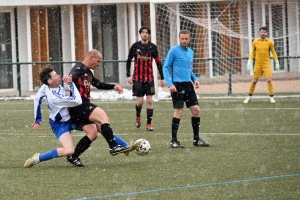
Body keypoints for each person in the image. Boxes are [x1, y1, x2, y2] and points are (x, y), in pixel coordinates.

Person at [67, 49, 132, 167]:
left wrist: (114, 86)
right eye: (98, 61)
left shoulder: (88, 72)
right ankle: (113, 147)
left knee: (93, 133)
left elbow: (98, 84)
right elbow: (72, 76)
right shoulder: (78, 69)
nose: (99, 64)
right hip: (80, 105)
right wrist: (69, 79)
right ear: (91, 57)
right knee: (104, 118)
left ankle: (73, 156)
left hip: (80, 107)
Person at [24, 65, 82, 168]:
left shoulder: (46, 86)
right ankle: (38, 158)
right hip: (60, 124)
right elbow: (77, 101)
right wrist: (70, 84)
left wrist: (38, 119)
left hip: (71, 118)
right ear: (50, 81)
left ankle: (118, 145)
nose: (59, 76)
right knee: (69, 150)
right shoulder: (54, 97)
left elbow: (37, 98)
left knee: (97, 126)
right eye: (55, 75)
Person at [163, 30, 210, 148]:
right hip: (177, 86)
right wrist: (170, 84)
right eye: (182, 39)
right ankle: (174, 141)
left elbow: (188, 69)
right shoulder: (173, 51)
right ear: (179, 39)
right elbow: (165, 67)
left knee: (196, 110)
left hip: (188, 85)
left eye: (186, 39)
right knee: (179, 111)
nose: (184, 41)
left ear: (190, 39)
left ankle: (196, 139)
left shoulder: (190, 52)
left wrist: (195, 79)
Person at [126, 26, 165, 131]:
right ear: (140, 34)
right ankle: (138, 117)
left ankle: (149, 124)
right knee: (139, 102)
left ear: (149, 35)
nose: (145, 34)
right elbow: (129, 60)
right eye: (143, 32)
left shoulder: (153, 47)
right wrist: (128, 75)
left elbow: (158, 63)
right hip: (138, 79)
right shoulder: (135, 46)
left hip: (149, 79)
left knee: (150, 100)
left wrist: (162, 77)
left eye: (147, 33)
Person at [244, 26, 280, 104]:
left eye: (264, 32)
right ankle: (249, 97)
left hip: (266, 63)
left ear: (266, 33)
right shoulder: (255, 41)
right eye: (262, 32)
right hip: (258, 64)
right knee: (254, 81)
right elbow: (253, 52)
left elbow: (273, 52)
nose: (263, 33)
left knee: (269, 80)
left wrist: (276, 61)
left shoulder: (269, 42)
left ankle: (271, 97)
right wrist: (249, 61)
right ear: (259, 33)